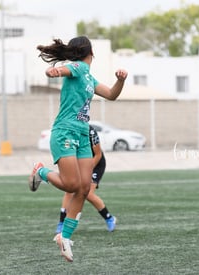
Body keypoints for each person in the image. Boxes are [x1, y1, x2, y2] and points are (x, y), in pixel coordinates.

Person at [28, 36, 127, 262]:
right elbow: (66, 69)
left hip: (82, 134)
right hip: (65, 131)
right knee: (72, 185)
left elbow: (111, 95)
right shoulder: (80, 67)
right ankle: (41, 172)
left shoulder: (89, 77)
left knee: (83, 189)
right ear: (90, 52)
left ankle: (65, 237)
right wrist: (54, 72)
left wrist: (120, 80)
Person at [54, 124, 116, 237]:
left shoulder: (89, 131)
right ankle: (62, 222)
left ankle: (109, 218)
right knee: (69, 190)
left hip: (95, 163)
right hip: (79, 162)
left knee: (88, 193)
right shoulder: (68, 131)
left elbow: (98, 154)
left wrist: (86, 171)